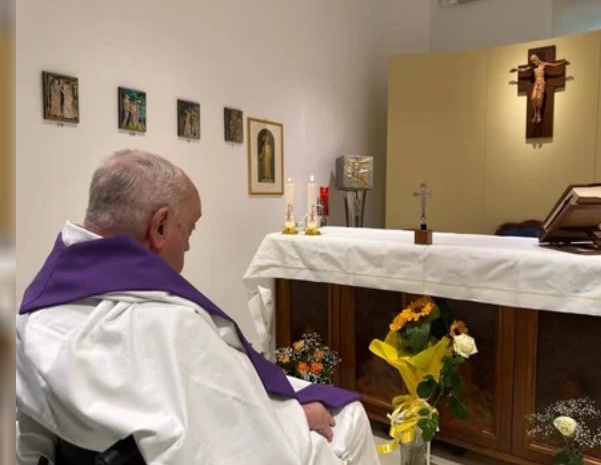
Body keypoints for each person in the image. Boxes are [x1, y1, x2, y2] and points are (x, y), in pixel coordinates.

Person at [15, 150, 380, 465]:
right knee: (349, 417)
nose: (188, 247)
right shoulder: (170, 326)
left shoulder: (36, 311)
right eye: (188, 230)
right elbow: (238, 439)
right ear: (159, 227)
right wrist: (294, 416)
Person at [510, 54, 568, 124]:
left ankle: (538, 113)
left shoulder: (543, 64)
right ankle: (535, 113)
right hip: (536, 83)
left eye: (534, 60)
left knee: (539, 98)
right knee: (533, 98)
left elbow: (554, 65)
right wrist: (516, 70)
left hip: (541, 83)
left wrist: (562, 63)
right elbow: (524, 69)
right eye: (532, 61)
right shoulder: (533, 67)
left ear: (537, 59)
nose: (534, 62)